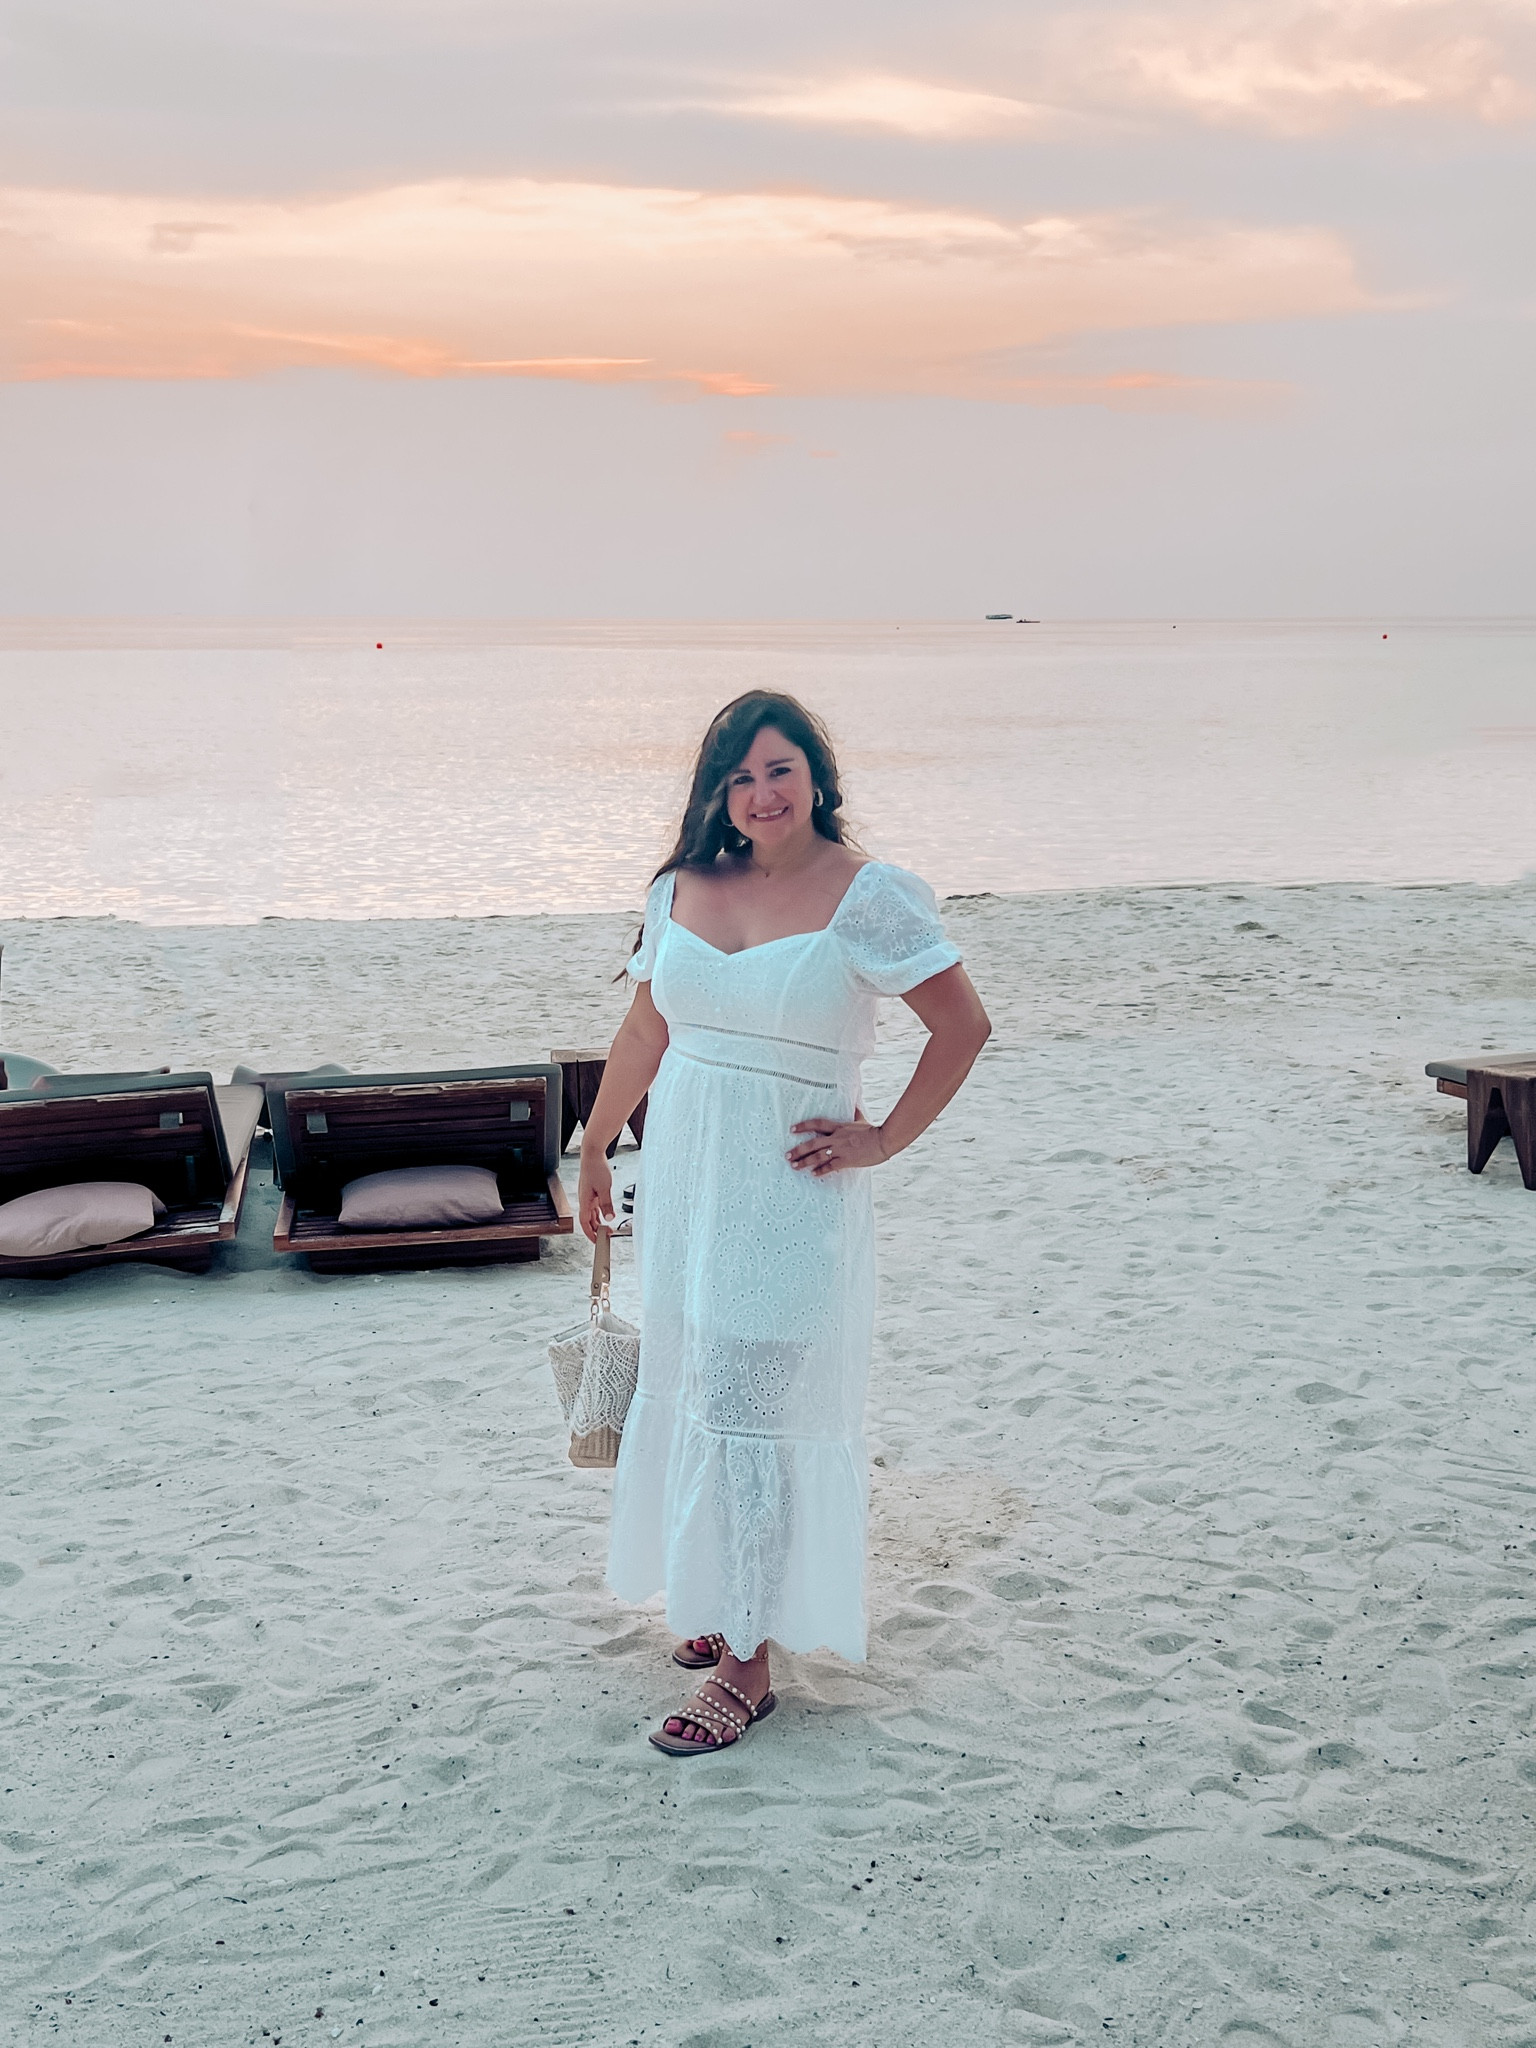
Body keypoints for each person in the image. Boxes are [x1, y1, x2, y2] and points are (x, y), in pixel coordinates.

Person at [577, 691, 990, 1755]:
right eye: (740, 777)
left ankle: (747, 1667)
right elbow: (645, 1027)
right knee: (698, 1385)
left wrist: (883, 1137)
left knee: (753, 1408)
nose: (762, 794)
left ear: (816, 776)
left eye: (779, 770)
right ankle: (721, 1598)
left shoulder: (869, 895)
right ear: (717, 791)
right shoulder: (681, 886)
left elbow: (962, 1024)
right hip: (687, 1187)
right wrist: (595, 1144)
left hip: (790, 1197)